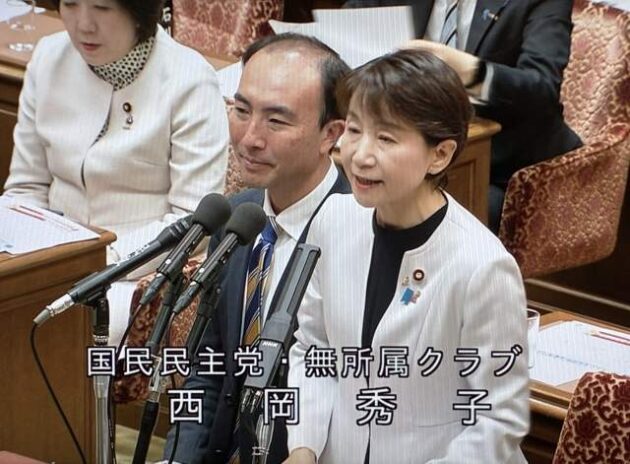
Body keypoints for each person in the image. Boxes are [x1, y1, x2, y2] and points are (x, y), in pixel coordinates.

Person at [284, 49, 529, 464]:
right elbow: (313, 347)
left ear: (440, 154)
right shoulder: (334, 219)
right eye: (355, 130)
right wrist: (303, 448)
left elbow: (497, 419)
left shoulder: (483, 266)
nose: (360, 154)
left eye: (386, 138)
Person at [162, 33, 351, 464]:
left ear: (331, 134)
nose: (249, 138)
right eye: (241, 110)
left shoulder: (359, 235)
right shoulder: (237, 217)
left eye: (276, 121)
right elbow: (208, 370)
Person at [3, 0, 229, 344]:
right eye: (70, 4)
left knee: (64, 335)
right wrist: (29, 261)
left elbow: (193, 221)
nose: (83, 24)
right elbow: (26, 186)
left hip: (129, 274)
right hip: (46, 260)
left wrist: (99, 260)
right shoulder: (49, 57)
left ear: (140, 12)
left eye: (102, 8)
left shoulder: (190, 80)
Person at [344, 0, 582, 231]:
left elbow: (542, 88)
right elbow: (347, 23)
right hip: (406, 143)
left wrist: (470, 72)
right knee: (349, 200)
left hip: (501, 165)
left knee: (453, 218)